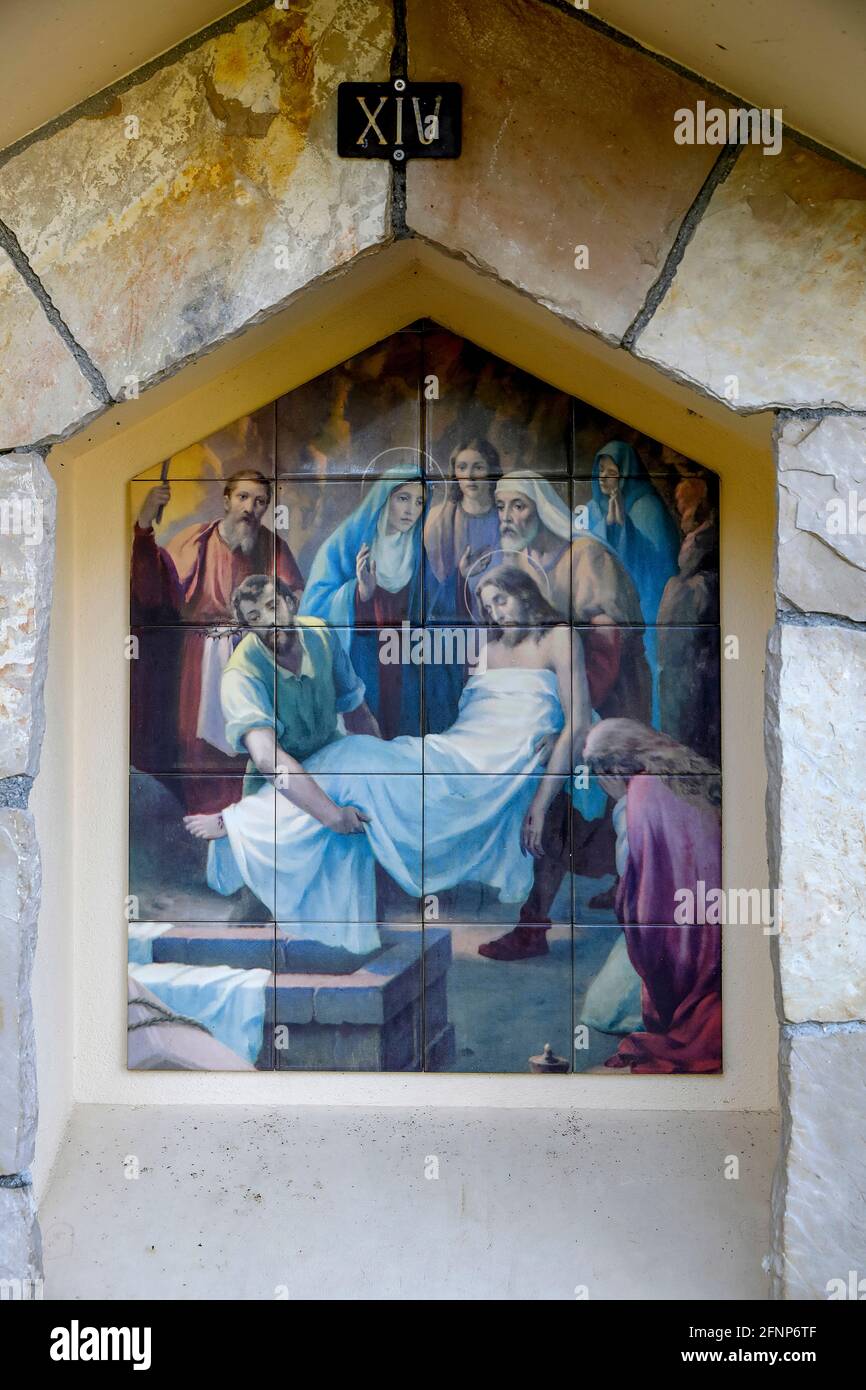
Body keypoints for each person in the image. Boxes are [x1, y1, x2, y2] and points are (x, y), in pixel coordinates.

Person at [184, 570, 582, 957]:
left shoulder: (560, 638)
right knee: (352, 766)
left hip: (496, 758)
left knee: (359, 759)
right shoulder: (242, 672)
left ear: (291, 602)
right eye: (255, 617)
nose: (494, 612)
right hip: (287, 781)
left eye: (501, 600)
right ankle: (242, 828)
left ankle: (236, 823)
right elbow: (271, 759)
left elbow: (577, 718)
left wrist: (383, 766)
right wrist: (339, 808)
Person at [131, 469, 303, 811]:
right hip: (200, 659)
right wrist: (145, 522)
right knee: (195, 743)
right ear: (226, 500)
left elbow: (292, 595)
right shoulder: (197, 541)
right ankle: (203, 814)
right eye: (242, 498)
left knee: (249, 740)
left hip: (251, 656)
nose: (249, 508)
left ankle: (240, 818)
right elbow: (153, 587)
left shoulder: (272, 547)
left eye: (259, 502)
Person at [583, 718, 722, 1074]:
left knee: (603, 1010)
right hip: (711, 916)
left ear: (611, 769)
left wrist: (620, 806)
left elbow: (637, 880)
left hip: (674, 931)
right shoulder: (685, 776)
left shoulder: (638, 798)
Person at [298, 468, 424, 739]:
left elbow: (430, 601)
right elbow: (314, 608)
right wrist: (359, 594)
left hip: (403, 658)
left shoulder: (415, 548)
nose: (411, 510)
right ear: (383, 498)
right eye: (403, 498)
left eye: (419, 501)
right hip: (362, 657)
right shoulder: (345, 542)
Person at [586, 442, 681, 721]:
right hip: (608, 609)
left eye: (612, 471)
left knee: (646, 670)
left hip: (646, 605)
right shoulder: (592, 509)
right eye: (600, 470)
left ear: (626, 473)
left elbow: (660, 562)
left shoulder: (647, 507)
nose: (604, 477)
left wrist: (624, 527)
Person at [424, 437, 502, 731]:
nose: (469, 476)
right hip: (452, 626)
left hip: (498, 624)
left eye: (478, 467)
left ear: (491, 471)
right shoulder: (439, 520)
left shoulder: (506, 515)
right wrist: (461, 578)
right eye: (462, 467)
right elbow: (429, 586)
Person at [657, 474, 720, 763]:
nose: (681, 509)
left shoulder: (703, 539)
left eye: (686, 503)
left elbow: (687, 566)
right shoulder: (694, 538)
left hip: (700, 653)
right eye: (679, 503)